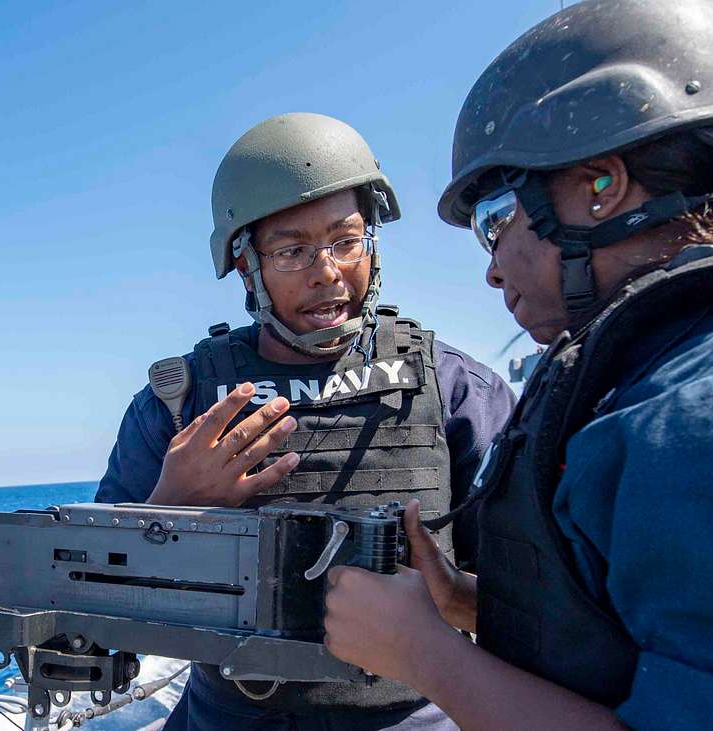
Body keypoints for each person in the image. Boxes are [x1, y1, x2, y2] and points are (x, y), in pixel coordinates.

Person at [322, 2, 713, 729]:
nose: (493, 271)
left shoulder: (681, 421)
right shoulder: (640, 381)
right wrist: (463, 600)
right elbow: (620, 633)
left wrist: (424, 654)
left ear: (602, 185)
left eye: (495, 220)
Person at [97, 112, 515, 730]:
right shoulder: (178, 403)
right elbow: (92, 601)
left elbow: (538, 606)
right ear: (246, 266)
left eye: (346, 241)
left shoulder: (455, 390)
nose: (327, 271)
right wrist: (173, 505)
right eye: (292, 250)